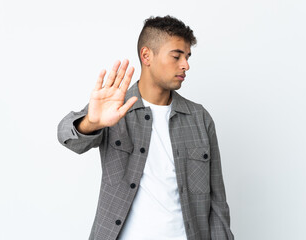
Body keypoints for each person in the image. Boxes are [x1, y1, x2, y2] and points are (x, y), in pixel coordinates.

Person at [57, 15, 234, 240]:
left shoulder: (199, 118)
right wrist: (92, 123)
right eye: (177, 56)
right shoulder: (115, 109)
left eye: (187, 57)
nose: (186, 65)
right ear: (146, 55)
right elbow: (67, 137)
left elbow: (217, 203)